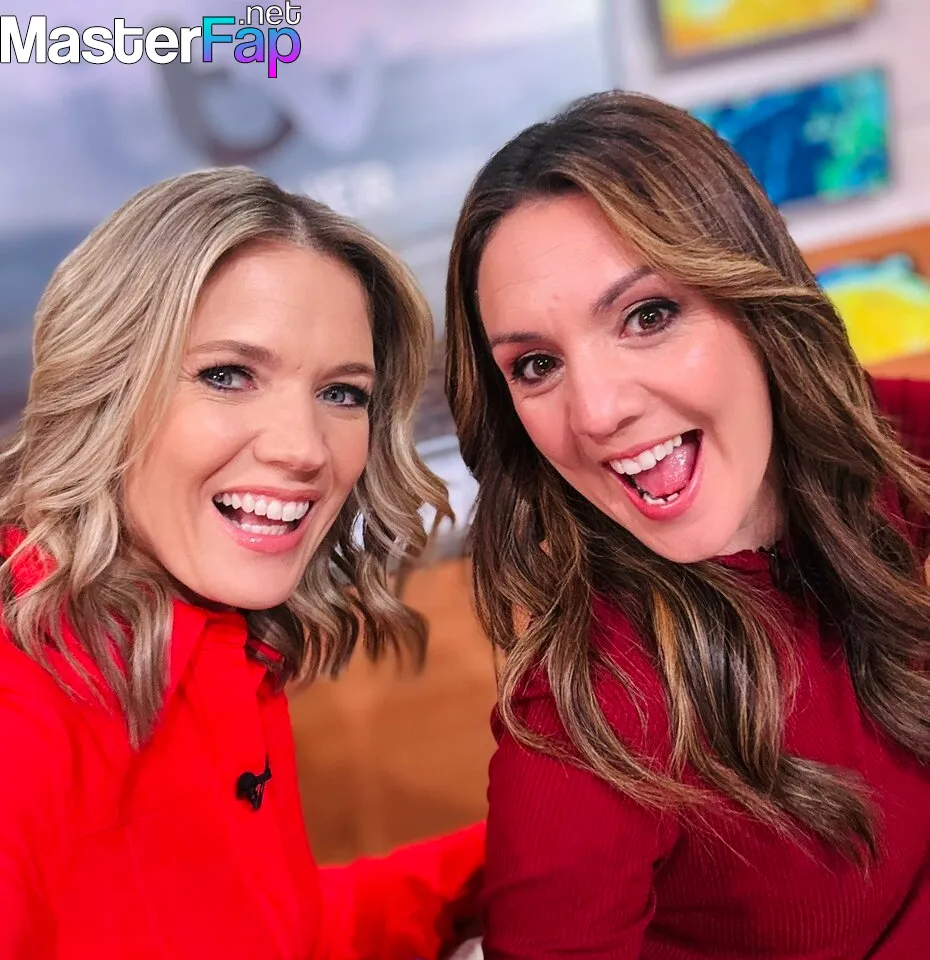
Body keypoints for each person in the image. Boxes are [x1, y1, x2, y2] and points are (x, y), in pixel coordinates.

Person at [443, 91, 929, 957]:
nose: (596, 413)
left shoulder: (865, 451)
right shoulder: (590, 724)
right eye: (537, 365)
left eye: (649, 316)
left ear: (752, 299)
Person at [0, 167, 484, 958]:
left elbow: (264, 932)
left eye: (343, 393)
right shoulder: (22, 707)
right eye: (227, 376)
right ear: (103, 388)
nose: (303, 449)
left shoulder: (211, 638)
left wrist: (511, 861)